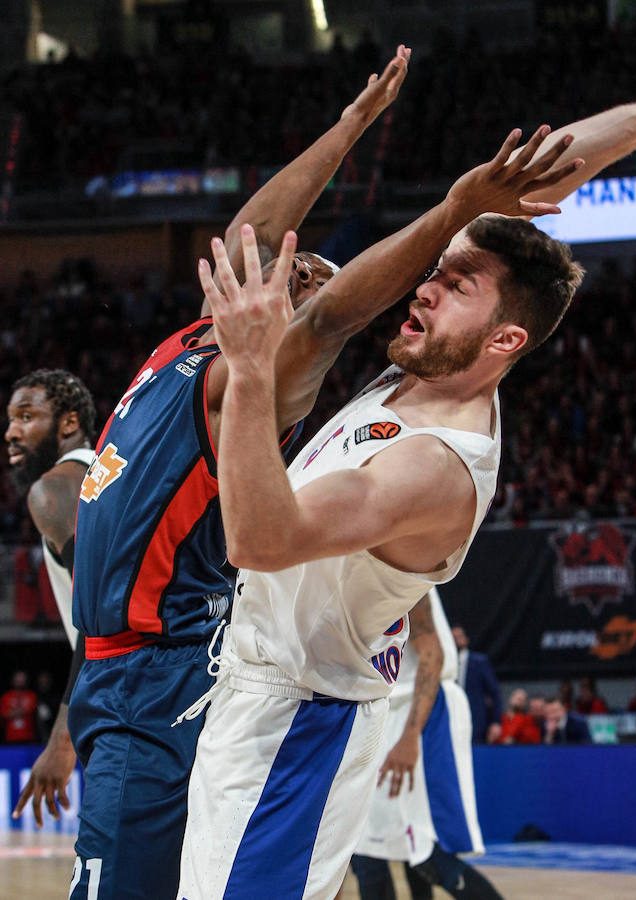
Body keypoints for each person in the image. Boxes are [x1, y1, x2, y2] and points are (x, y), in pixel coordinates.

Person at [177, 83, 636, 899]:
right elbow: (525, 185)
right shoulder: (432, 364)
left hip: (295, 723)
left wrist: (250, 368)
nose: (424, 288)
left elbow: (260, 539)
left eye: (456, 285)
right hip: (259, 694)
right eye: (438, 273)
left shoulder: (437, 468)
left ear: (505, 338)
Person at [67, 49, 414, 900]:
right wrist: (348, 129)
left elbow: (333, 318)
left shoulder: (256, 381)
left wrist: (449, 215)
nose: (290, 269)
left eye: (306, 281)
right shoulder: (188, 345)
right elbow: (250, 234)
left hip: (161, 674)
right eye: (289, 263)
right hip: (116, 671)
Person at [350, 589, 503, 900]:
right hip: (388, 711)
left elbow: (432, 655)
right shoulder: (352, 573)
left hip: (424, 710)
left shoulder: (401, 565)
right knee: (374, 845)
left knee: (426, 849)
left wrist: (410, 737)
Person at [5, 369, 95, 826]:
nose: (11, 433)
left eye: (26, 416)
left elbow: (101, 614)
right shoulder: (107, 472)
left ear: (67, 423)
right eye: (10, 419)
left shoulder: (56, 489)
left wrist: (62, 742)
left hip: (131, 702)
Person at [451, 624, 503, 744]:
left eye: (460, 636)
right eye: (453, 637)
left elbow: (494, 692)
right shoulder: (444, 662)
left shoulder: (479, 662)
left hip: (476, 721)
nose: (457, 640)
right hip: (452, 719)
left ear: (466, 639)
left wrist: (496, 722)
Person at [0, 671, 38, 743]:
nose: (20, 681)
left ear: (26, 681)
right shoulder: (5, 697)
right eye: (18, 679)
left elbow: (30, 709)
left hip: (28, 737)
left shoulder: (32, 695)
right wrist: (21, 710)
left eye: (22, 679)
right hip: (10, 737)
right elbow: (4, 714)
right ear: (13, 680)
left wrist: (12, 711)